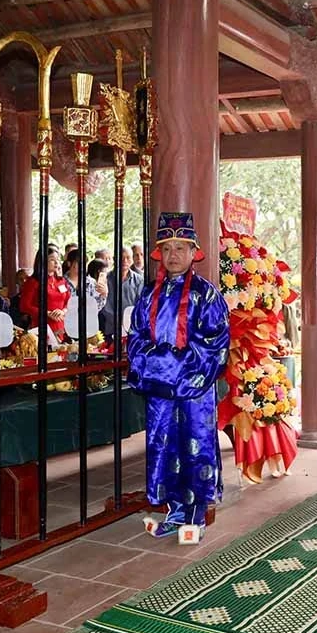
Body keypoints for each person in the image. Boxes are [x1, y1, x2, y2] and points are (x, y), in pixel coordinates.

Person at [128, 212, 229, 544]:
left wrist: (174, 367)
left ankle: (196, 516)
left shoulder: (207, 294)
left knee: (195, 446)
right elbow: (136, 338)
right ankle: (174, 513)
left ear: (193, 252)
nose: (173, 255)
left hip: (193, 390)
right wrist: (162, 366)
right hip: (161, 391)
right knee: (164, 446)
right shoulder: (148, 294)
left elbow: (215, 344)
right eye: (167, 249)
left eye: (180, 248)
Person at [20, 246, 71, 341]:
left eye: (58, 259)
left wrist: (63, 311)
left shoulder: (61, 281)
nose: (56, 262)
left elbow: (69, 301)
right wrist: (47, 313)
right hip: (41, 326)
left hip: (60, 325)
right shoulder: (33, 282)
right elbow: (24, 306)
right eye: (52, 260)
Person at [102, 247, 145, 340]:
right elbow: (104, 304)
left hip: (132, 328)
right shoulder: (106, 278)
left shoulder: (139, 280)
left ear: (132, 259)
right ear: (115, 259)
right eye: (121, 258)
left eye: (128, 257)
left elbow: (140, 304)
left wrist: (128, 320)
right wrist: (118, 321)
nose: (125, 261)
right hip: (111, 328)